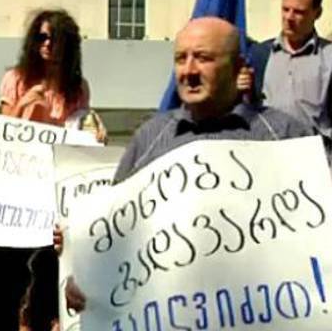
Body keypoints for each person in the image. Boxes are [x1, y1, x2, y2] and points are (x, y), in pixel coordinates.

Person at [57, 17, 314, 312]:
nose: (189, 71)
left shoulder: (283, 136)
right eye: (181, 59)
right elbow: (113, 235)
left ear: (237, 67)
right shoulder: (151, 137)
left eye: (203, 58)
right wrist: (87, 280)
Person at [0, 9, 106, 141]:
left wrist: (95, 131)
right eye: (42, 37)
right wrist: (23, 103)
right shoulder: (15, 79)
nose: (47, 44)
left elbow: (82, 126)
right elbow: (1, 131)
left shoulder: (79, 88)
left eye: (55, 39)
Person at [247, 0, 332, 141]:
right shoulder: (260, 53)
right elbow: (248, 110)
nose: (289, 18)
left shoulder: (329, 56)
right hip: (268, 149)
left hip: (314, 153)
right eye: (285, 9)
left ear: (317, 13)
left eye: (299, 12)